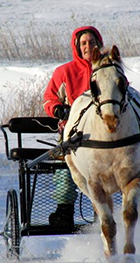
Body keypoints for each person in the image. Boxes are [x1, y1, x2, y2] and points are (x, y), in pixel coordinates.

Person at [43, 26, 104, 230]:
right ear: (77, 46)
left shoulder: (107, 67)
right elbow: (49, 99)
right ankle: (64, 209)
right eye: (84, 43)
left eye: (92, 42)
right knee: (66, 163)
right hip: (74, 133)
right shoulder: (65, 72)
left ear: (99, 43)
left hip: (107, 131)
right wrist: (59, 110)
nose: (88, 46)